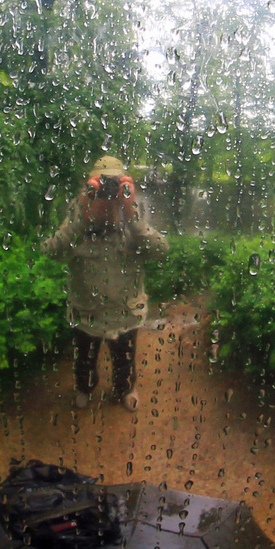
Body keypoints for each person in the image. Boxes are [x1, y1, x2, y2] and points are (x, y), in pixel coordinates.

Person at [41, 156, 168, 410]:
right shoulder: (79, 210)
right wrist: (83, 217)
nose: (109, 195)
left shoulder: (134, 212)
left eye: (114, 186)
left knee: (125, 357)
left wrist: (131, 213)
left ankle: (125, 388)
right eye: (101, 186)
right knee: (84, 358)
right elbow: (51, 252)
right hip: (86, 310)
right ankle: (84, 387)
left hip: (126, 311)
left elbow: (160, 251)